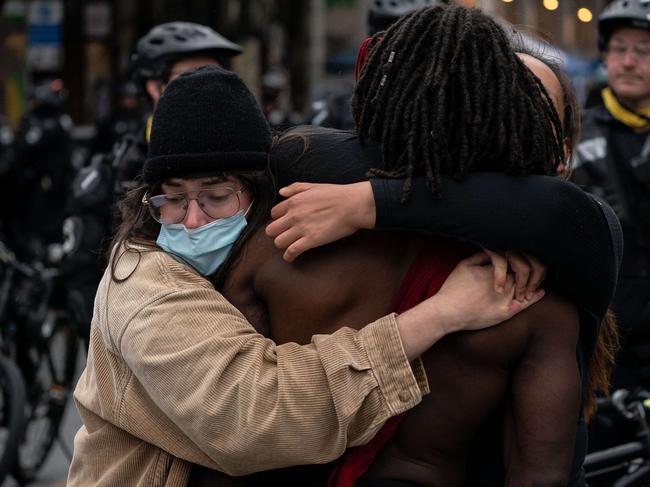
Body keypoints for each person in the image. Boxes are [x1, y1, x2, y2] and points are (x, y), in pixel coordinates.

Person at [66, 65, 541, 487]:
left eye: (215, 198)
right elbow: (253, 418)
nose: (192, 220)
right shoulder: (147, 285)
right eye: (172, 200)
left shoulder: (266, 255)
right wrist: (440, 314)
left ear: (259, 197)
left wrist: (366, 206)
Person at [257, 6, 623, 485]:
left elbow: (559, 211)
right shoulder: (525, 281)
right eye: (515, 103)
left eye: (541, 109)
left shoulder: (560, 242)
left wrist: (367, 202)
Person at [61, 21, 242, 344]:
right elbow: (84, 276)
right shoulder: (119, 167)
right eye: (190, 78)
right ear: (154, 87)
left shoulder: (250, 151)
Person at [572, 0, 650, 393]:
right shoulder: (574, 134)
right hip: (603, 343)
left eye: (644, 50)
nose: (629, 61)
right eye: (619, 48)